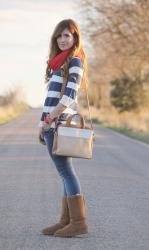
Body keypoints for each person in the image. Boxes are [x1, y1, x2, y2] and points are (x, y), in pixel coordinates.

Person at [38, 19, 88, 237]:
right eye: (59, 36)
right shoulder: (57, 64)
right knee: (63, 172)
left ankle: (78, 223)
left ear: (75, 38)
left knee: (65, 171)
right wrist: (41, 124)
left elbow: (70, 96)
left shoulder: (75, 61)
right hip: (51, 124)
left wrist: (49, 120)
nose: (62, 40)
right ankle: (65, 221)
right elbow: (50, 98)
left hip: (59, 124)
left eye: (67, 35)